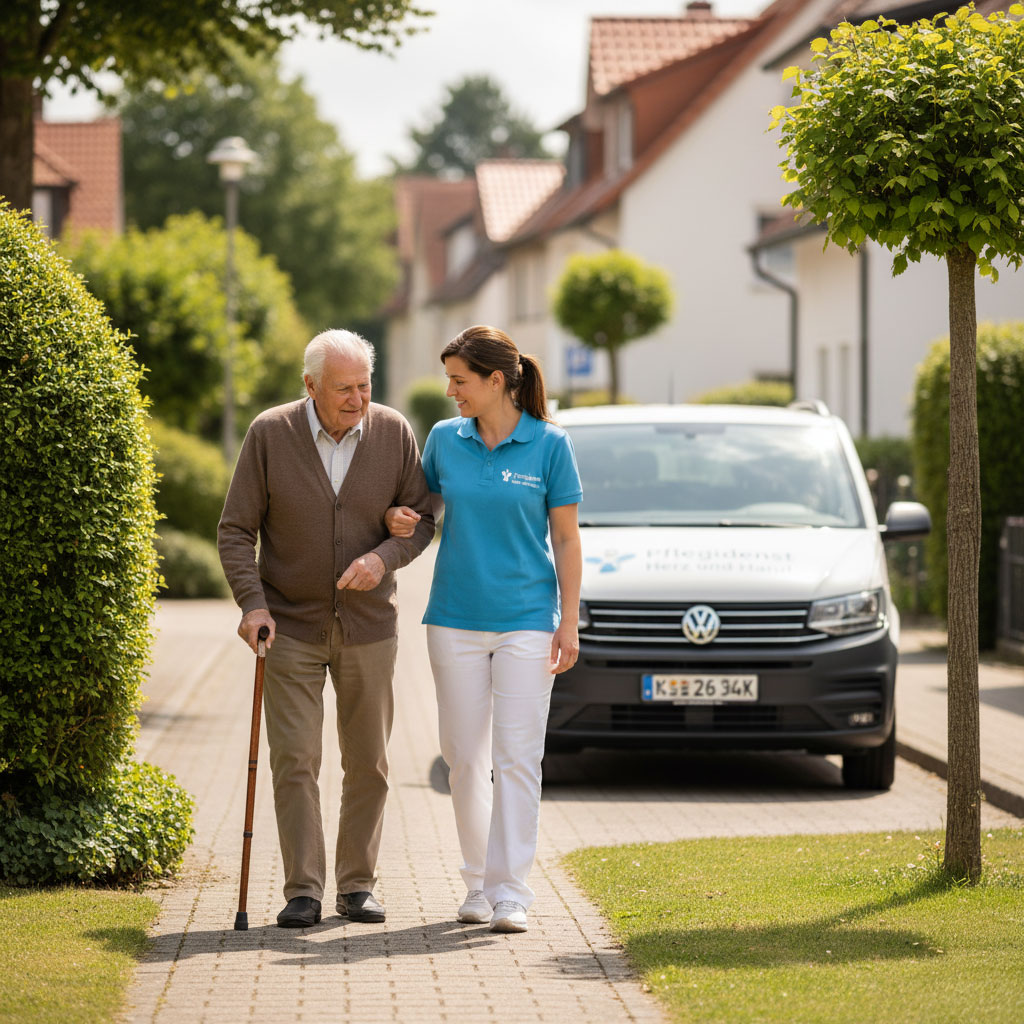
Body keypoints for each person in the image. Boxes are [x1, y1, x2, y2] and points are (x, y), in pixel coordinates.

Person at [218, 328, 434, 929]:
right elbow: (235, 530)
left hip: (370, 628)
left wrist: (383, 558)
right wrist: (252, 605)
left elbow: (421, 521)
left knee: (369, 762)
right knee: (295, 760)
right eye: (344, 389)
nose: (358, 399)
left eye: (365, 386)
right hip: (288, 626)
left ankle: (357, 885)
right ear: (310, 385)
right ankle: (304, 890)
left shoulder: (393, 431)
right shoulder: (270, 433)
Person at [386, 325, 582, 934]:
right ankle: (477, 882)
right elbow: (424, 510)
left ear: (496, 381)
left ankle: (511, 893)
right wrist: (402, 517)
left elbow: (566, 539)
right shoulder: (445, 440)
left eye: (460, 380)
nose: (451, 391)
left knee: (517, 758)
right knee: (464, 758)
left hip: (527, 621)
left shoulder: (550, 444)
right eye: (449, 379)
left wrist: (570, 621)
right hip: (454, 618)